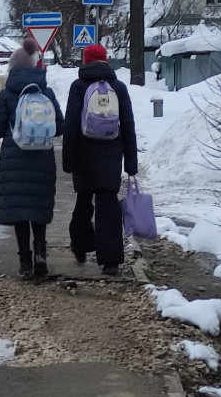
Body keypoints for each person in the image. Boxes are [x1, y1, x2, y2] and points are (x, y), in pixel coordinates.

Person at [0, 38, 64, 279]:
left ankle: (24, 262)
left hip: (14, 160)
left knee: (20, 212)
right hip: (42, 159)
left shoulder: (7, 94)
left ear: (12, 68)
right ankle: (41, 254)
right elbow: (60, 127)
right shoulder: (46, 91)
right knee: (37, 208)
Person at [62, 44, 137, 276]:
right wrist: (131, 163)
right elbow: (128, 126)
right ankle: (111, 261)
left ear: (85, 61)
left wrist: (68, 159)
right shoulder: (118, 87)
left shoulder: (78, 86)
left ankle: (81, 245)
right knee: (108, 204)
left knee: (83, 203)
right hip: (110, 155)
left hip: (84, 156)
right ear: (105, 60)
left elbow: (72, 124)